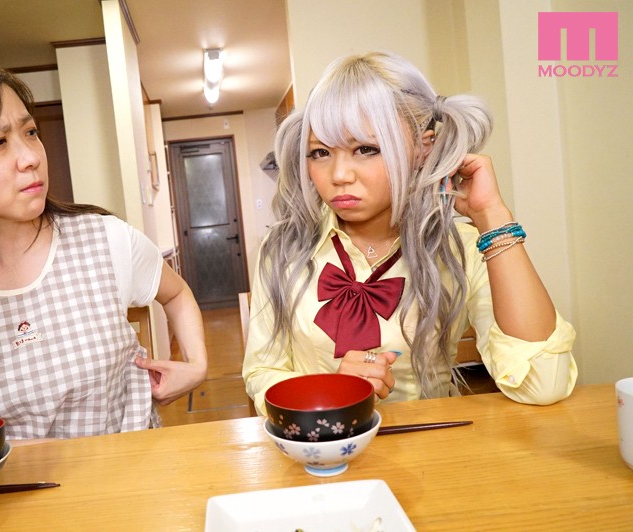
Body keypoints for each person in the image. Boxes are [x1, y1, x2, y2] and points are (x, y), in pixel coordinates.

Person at [0, 58, 208, 441]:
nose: (31, 157)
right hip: (12, 481)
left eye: (30, 132)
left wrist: (196, 364)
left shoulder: (106, 238)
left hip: (134, 468)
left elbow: (177, 294)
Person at [243, 50, 576, 414]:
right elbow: (262, 372)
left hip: (435, 442)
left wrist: (492, 216)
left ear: (422, 147)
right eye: (320, 153)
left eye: (366, 149)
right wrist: (328, 391)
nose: (338, 175)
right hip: (316, 442)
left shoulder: (463, 249)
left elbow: (543, 383)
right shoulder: (282, 249)